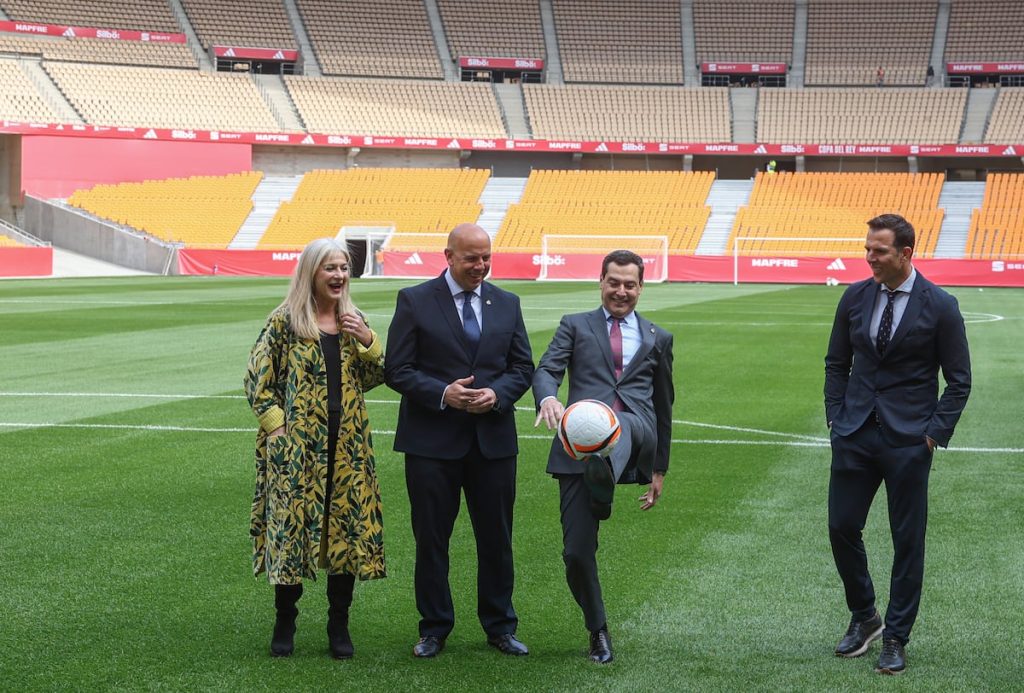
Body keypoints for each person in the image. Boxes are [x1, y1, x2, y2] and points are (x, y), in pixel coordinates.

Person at [824, 214, 971, 675]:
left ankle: (896, 637)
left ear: (905, 253)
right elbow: (836, 363)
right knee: (841, 526)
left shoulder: (941, 305)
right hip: (854, 433)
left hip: (909, 440)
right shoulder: (854, 296)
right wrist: (835, 417)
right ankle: (865, 615)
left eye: (879, 250)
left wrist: (933, 433)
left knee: (907, 540)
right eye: (868, 248)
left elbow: (959, 381)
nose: (870, 257)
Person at [384, 223, 534, 658]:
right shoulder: (414, 300)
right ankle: (434, 628)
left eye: (486, 257)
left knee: (497, 539)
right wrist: (442, 393)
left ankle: (500, 626)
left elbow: (522, 367)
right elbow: (397, 368)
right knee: (432, 540)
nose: (480, 266)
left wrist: (497, 395)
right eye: (471, 258)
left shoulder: (507, 303)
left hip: (493, 443)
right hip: (431, 444)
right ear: (448, 256)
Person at [244, 238, 387, 659]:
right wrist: (277, 427)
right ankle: (285, 619)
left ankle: (338, 623)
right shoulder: (285, 322)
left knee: (346, 531)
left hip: (348, 447)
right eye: (330, 268)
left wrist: (368, 340)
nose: (339, 275)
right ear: (311, 272)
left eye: (343, 267)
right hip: (298, 450)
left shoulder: (353, 321)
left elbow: (376, 376)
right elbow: (256, 381)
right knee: (292, 531)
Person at [533, 249, 675, 664]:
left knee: (619, 423)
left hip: (636, 431)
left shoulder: (658, 337)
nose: (621, 291)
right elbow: (547, 369)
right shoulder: (574, 325)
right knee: (576, 553)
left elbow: (664, 406)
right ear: (601, 282)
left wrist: (659, 469)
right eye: (614, 282)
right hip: (577, 443)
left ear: (641, 287)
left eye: (630, 284)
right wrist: (547, 397)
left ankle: (605, 475)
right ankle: (597, 629)